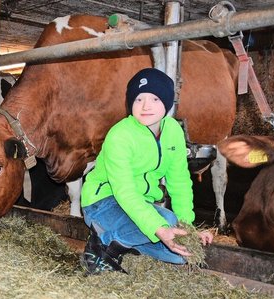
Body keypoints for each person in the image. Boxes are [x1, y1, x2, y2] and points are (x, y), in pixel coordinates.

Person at [80, 67, 213, 275]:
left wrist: (187, 227)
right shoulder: (120, 135)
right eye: (139, 99)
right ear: (130, 103)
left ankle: (128, 240)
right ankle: (100, 247)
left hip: (139, 204)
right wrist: (160, 228)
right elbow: (124, 192)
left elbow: (179, 181)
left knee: (181, 254)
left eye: (155, 99)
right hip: (103, 203)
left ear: (167, 103)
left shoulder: (173, 131)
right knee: (165, 223)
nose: (145, 106)